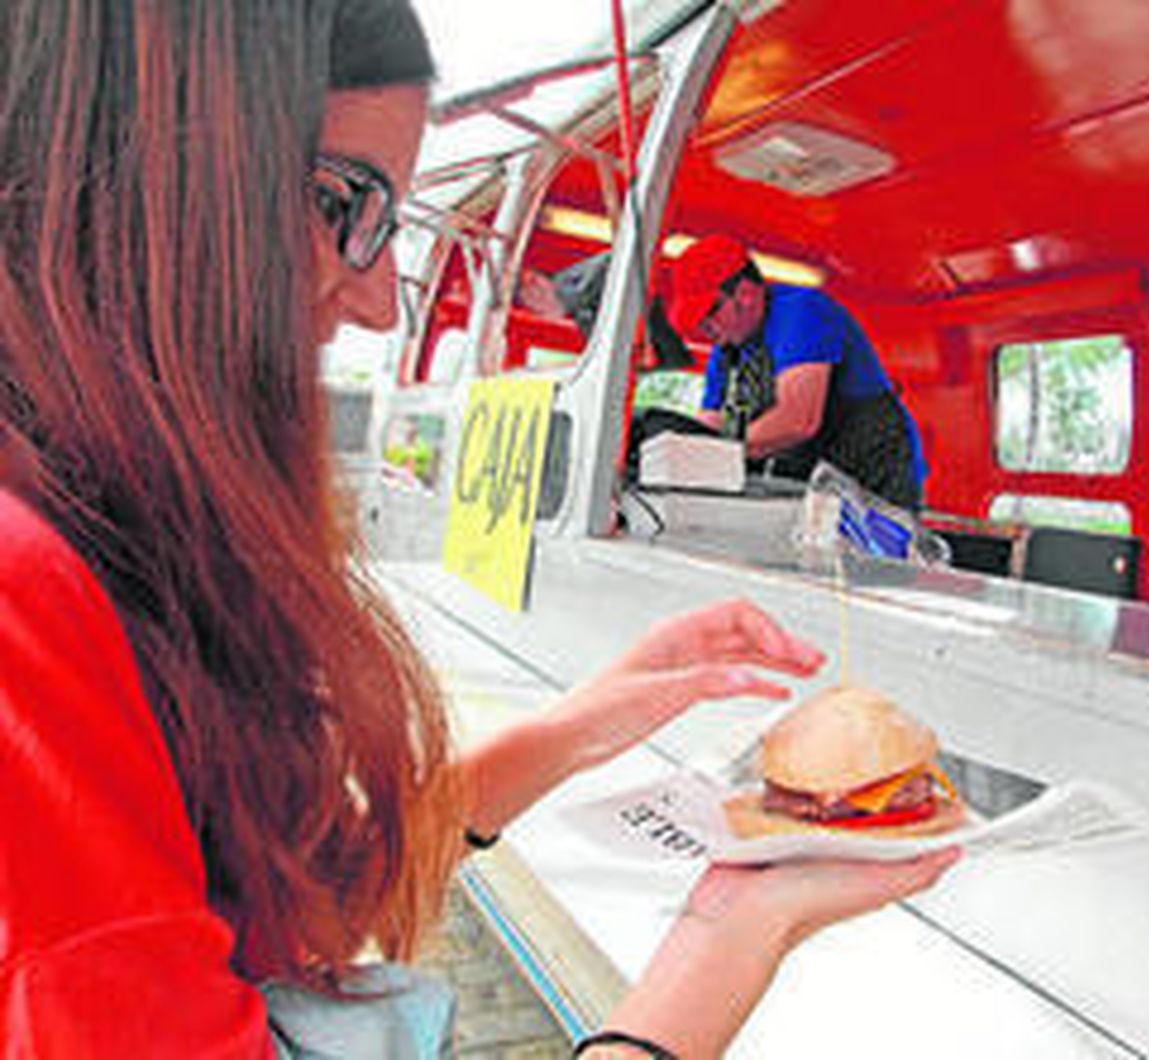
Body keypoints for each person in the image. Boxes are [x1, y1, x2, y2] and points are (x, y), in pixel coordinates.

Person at [0, 2, 959, 1057]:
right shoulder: (27, 606)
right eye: (341, 202)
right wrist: (725, 941)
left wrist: (588, 717)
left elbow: (264, 904)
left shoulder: (808, 314)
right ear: (134, 155)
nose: (375, 300)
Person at [665, 235, 930, 511]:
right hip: (821, 479)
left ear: (745, 294)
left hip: (875, 471)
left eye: (710, 312)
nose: (705, 327)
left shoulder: (802, 312)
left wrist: (716, 453)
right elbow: (709, 424)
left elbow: (798, 421)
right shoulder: (726, 350)